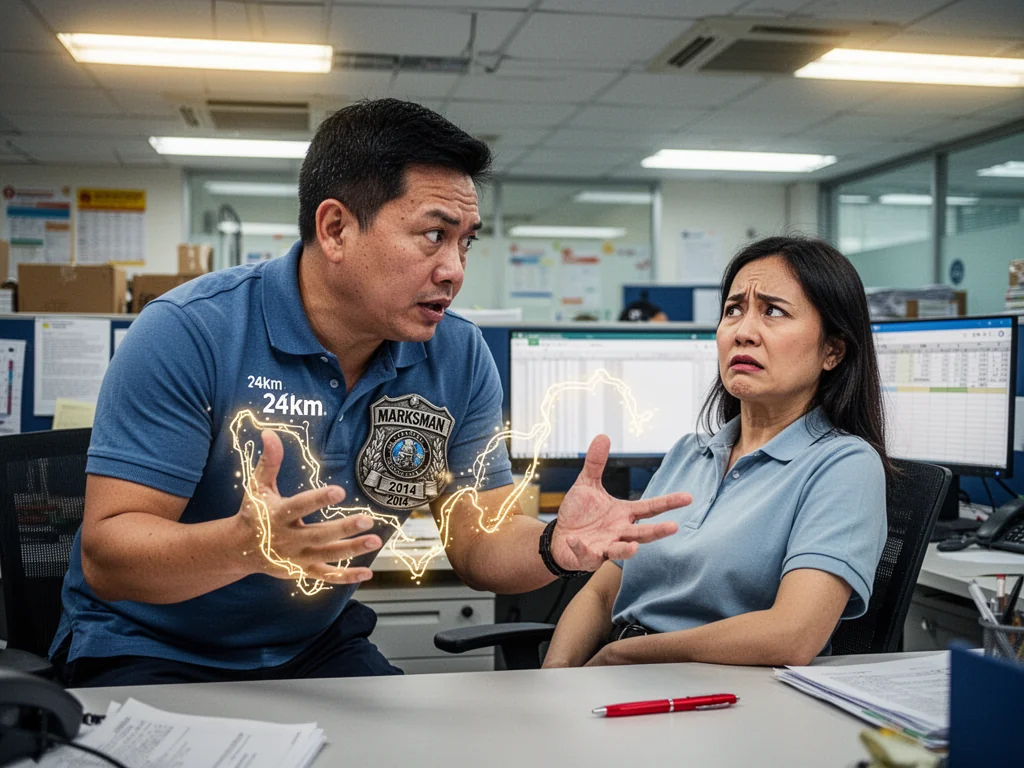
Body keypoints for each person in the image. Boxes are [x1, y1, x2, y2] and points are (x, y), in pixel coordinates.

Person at [50, 99, 689, 687]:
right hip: (147, 646)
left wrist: (553, 545)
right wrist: (244, 546)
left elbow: (478, 541)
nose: (455, 270)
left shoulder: (455, 355)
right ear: (334, 230)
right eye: (433, 235)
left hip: (313, 647)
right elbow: (110, 553)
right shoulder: (191, 332)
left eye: (466, 242)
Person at [543, 235, 889, 669]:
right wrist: (554, 683)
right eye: (733, 310)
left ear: (832, 350)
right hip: (625, 680)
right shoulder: (690, 453)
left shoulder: (843, 466)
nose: (743, 332)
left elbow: (793, 635)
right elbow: (602, 592)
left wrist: (623, 653)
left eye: (774, 311)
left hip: (722, 697)